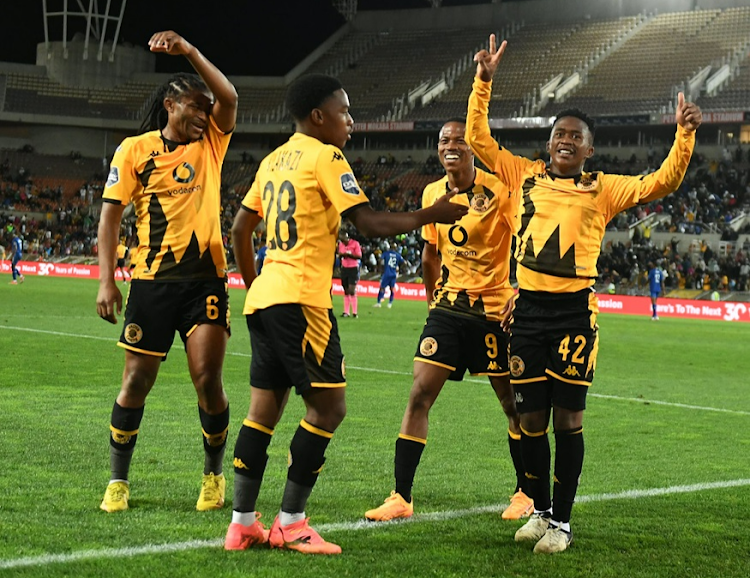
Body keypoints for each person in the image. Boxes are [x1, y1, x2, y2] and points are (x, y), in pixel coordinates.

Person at [468, 35, 701, 554]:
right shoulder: (522, 175)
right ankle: (542, 511)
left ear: (590, 148)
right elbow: (479, 138)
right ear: (549, 142)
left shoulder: (605, 187)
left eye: (575, 135)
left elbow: (663, 182)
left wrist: (682, 136)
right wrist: (482, 81)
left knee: (566, 419)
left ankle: (563, 523)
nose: (565, 140)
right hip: (525, 313)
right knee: (529, 418)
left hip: (574, 315)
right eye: (558, 134)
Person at [225, 73, 467, 555]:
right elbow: (369, 222)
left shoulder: (273, 159)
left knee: (262, 413)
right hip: (302, 302)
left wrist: (257, 284)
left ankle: (242, 524)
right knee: (329, 408)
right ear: (318, 116)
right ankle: (291, 522)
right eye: (345, 111)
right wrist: (428, 215)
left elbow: (238, 229)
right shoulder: (325, 156)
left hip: (267, 297)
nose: (351, 121)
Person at [95, 30, 238, 514]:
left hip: (205, 283)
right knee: (135, 381)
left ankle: (213, 476)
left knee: (208, 380)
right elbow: (110, 216)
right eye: (194, 107)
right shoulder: (133, 151)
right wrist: (105, 279)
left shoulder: (213, 144)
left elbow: (230, 96)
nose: (204, 115)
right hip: (151, 283)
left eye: (205, 108)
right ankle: (118, 482)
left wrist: (192, 52)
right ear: (171, 104)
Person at [364, 118, 532, 524]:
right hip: (448, 310)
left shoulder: (499, 190)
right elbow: (429, 255)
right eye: (444, 140)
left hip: (493, 310)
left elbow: (527, 241)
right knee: (420, 394)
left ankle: (525, 490)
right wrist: (430, 304)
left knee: (512, 404)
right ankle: (401, 496)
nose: (451, 145)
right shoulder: (431, 192)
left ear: (474, 147)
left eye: (459, 139)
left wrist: (521, 292)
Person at [337, 229, 362, 317]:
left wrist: (350, 255)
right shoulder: (340, 244)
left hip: (353, 268)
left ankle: (355, 312)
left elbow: (359, 256)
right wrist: (342, 255)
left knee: (352, 290)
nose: (343, 241)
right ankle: (346, 312)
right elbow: (339, 254)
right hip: (344, 268)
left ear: (347, 237)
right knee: (346, 290)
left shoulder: (355, 244)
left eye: (344, 239)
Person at [373, 242, 404, 308]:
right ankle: (390, 303)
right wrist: (399, 268)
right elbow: (404, 262)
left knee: (382, 288)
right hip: (393, 274)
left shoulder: (386, 253)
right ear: (395, 248)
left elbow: (380, 260)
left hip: (387, 273)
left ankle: (379, 303)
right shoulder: (397, 255)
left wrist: (380, 269)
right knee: (392, 289)